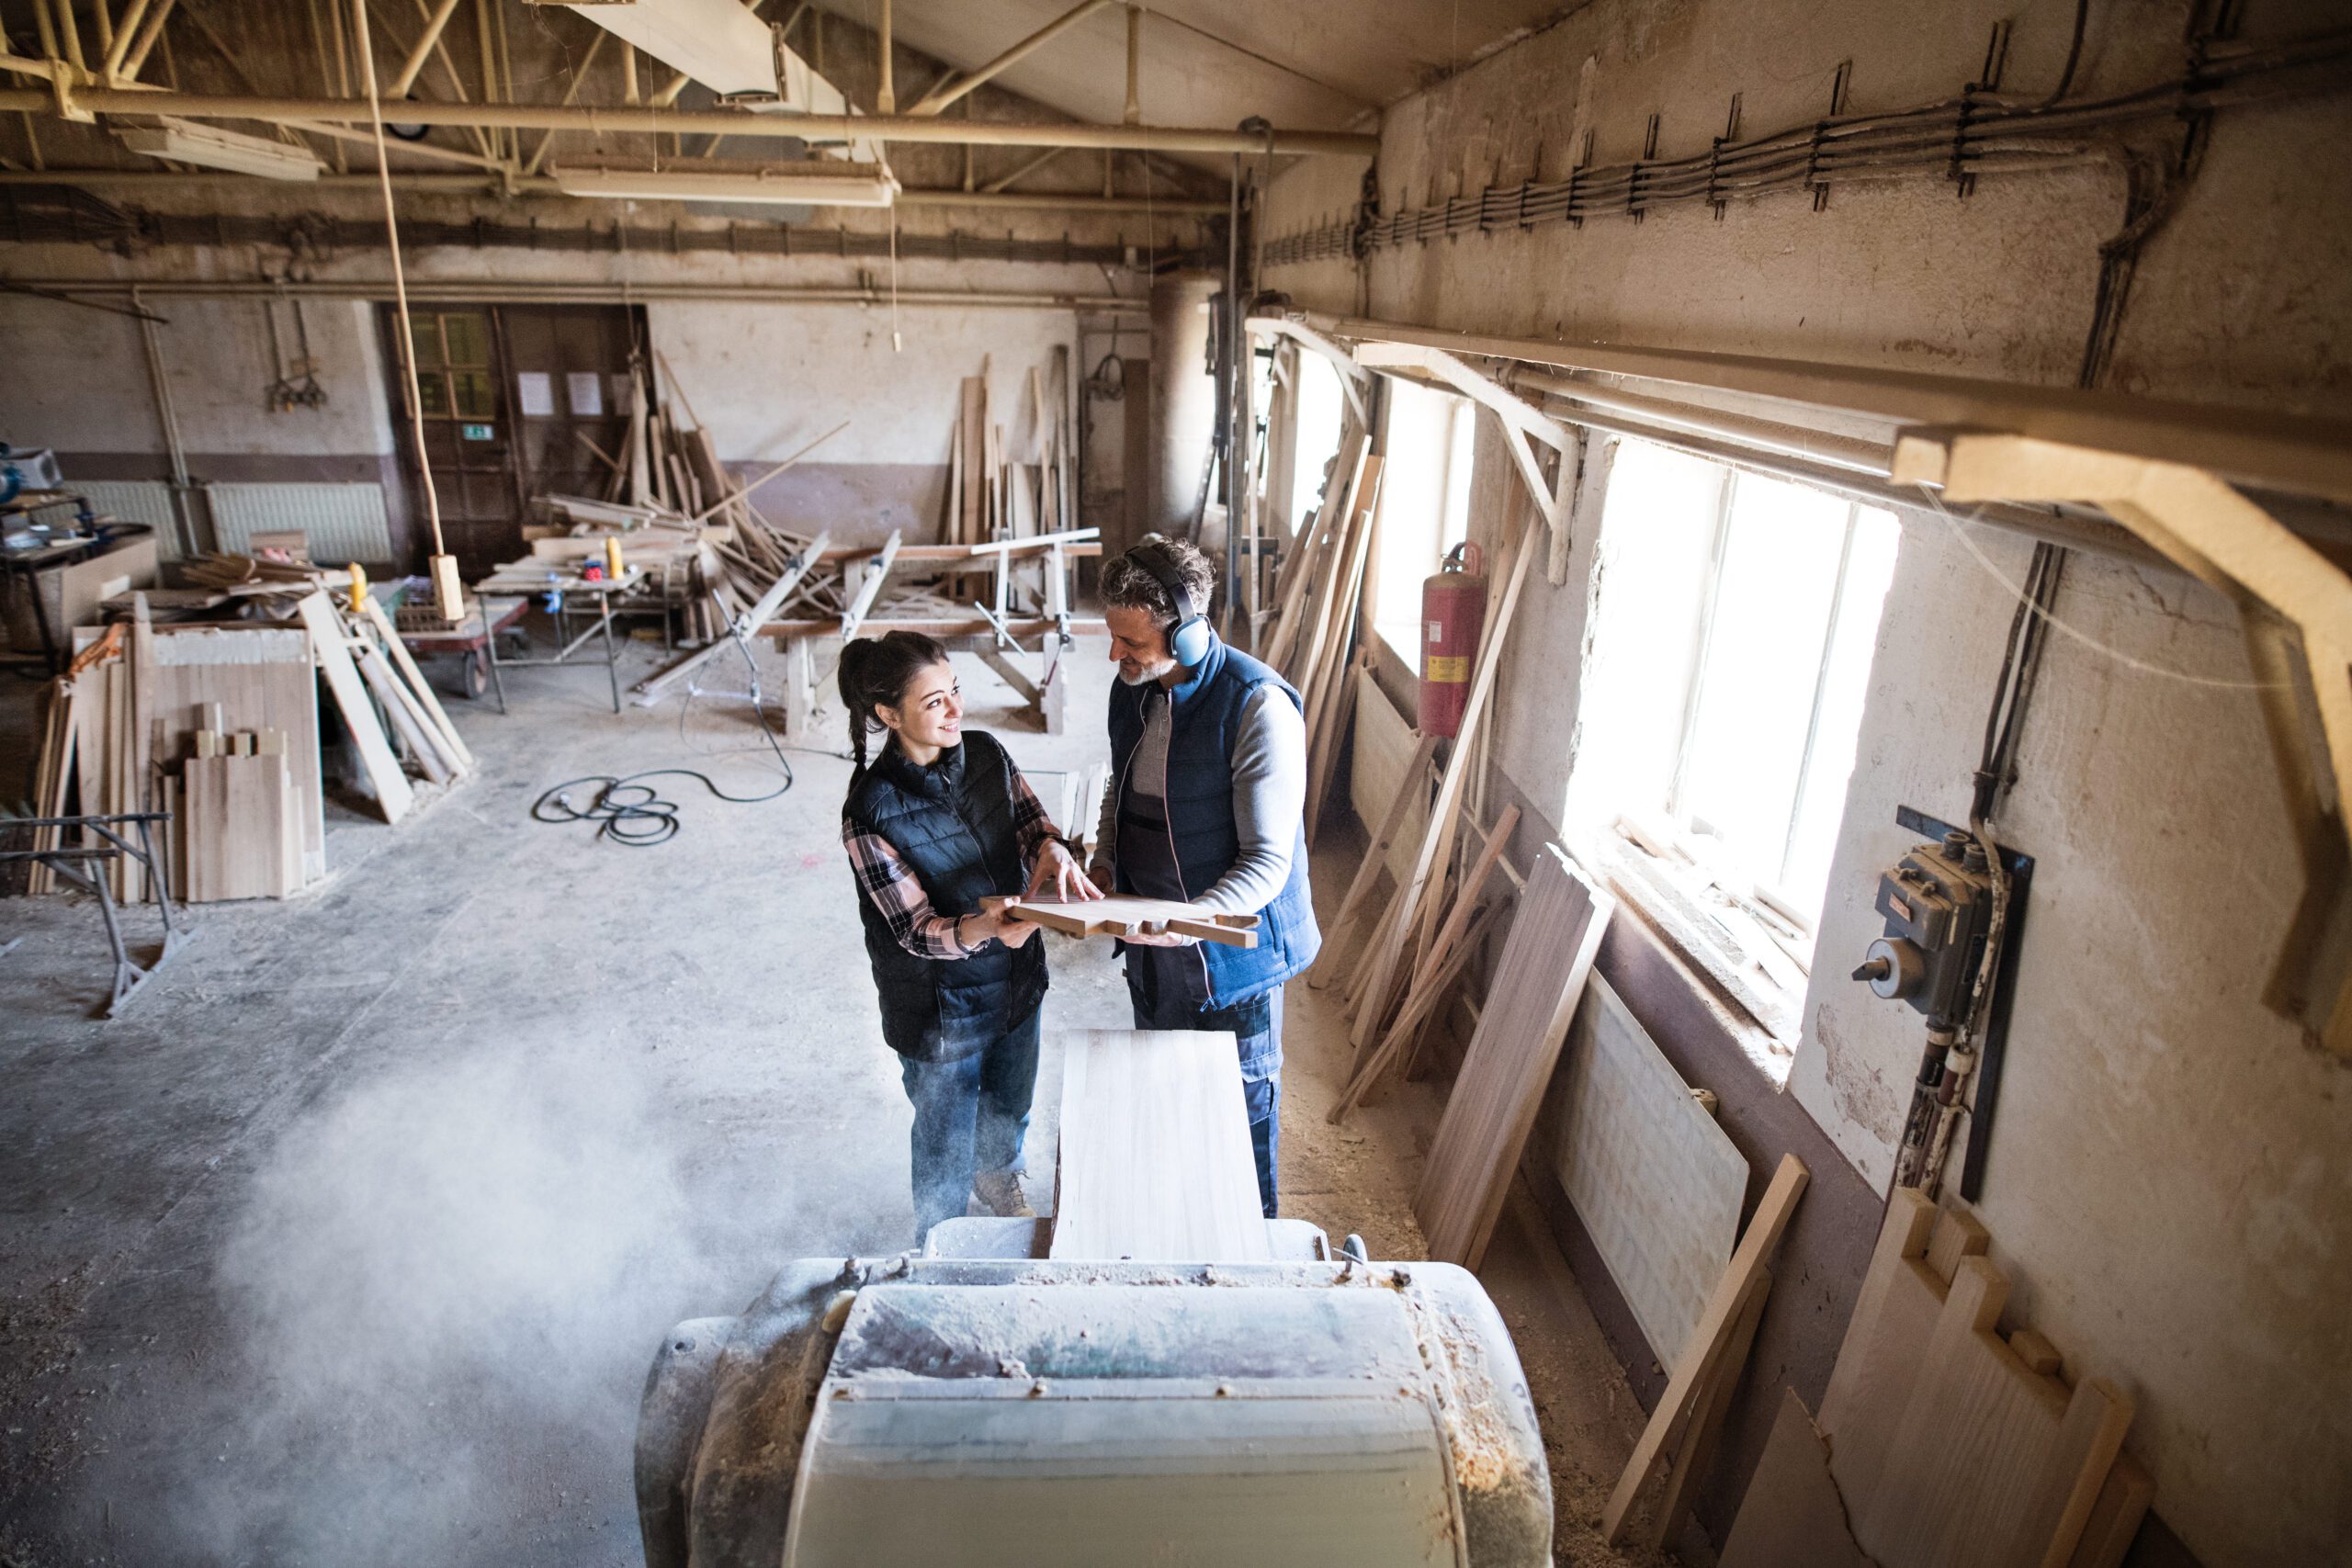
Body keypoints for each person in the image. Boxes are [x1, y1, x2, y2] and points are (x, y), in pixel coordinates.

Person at [1051, 535, 1319, 1216]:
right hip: (1154, 944)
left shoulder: (1256, 707)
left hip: (1231, 960)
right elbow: (1120, 783)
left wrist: (1188, 921)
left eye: (1131, 642)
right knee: (1162, 1103)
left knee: (1235, 1115)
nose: (1116, 655)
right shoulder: (1132, 690)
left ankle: (1248, 1248)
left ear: (1192, 635)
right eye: (1114, 638)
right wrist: (1105, 860)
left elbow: (1266, 862)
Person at [839, 630, 1099, 1244]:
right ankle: (942, 1235)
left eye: (954, 690)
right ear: (887, 714)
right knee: (945, 1133)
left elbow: (1035, 824)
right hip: (938, 1009)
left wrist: (1053, 851)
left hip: (1015, 980)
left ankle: (998, 1174)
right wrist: (985, 928)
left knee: (1010, 1103)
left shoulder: (987, 754)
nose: (957, 709)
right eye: (935, 702)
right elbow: (913, 929)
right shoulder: (869, 811)